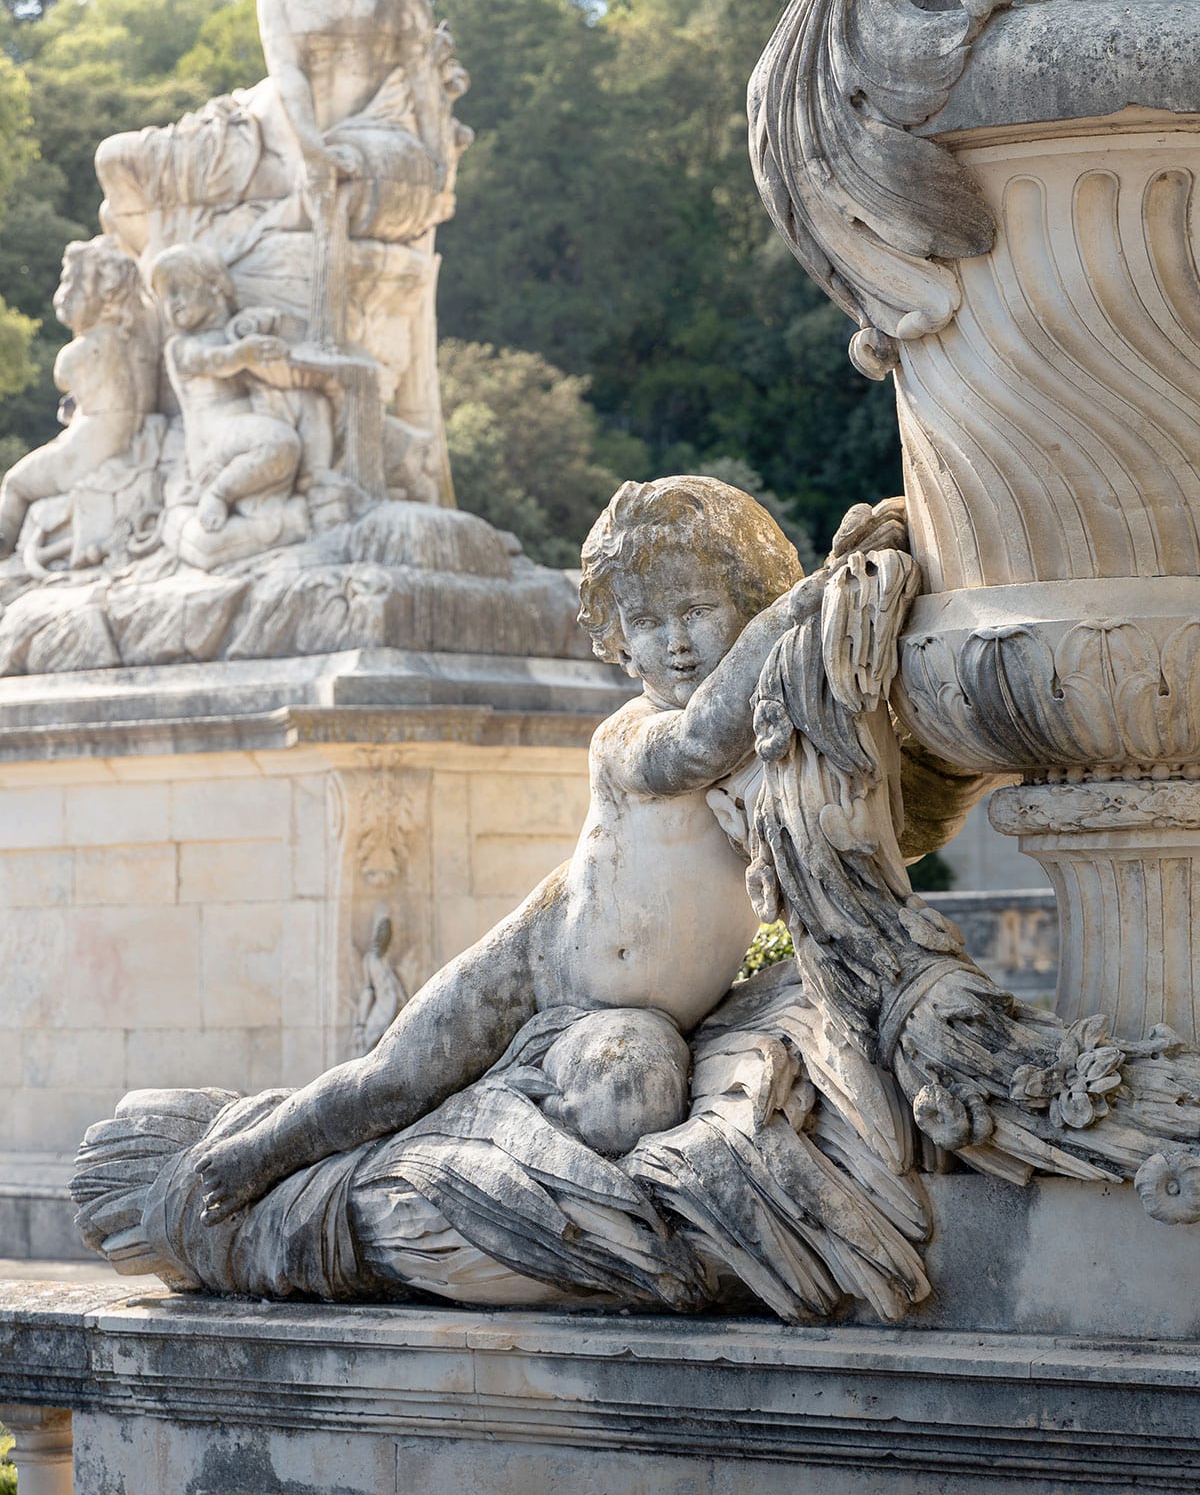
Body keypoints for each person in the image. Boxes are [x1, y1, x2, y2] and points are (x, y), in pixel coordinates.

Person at [197, 476, 905, 1222]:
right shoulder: (629, 732)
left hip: (632, 1017)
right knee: (393, 1078)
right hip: (539, 959)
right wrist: (799, 607)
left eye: (697, 610)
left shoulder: (769, 749)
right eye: (648, 620)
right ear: (619, 641)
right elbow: (696, 743)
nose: (679, 642)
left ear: (743, 603)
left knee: (628, 1093)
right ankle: (262, 1154)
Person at [0, 239, 157, 561]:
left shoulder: (80, 351)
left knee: (15, 482)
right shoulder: (139, 339)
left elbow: (63, 377)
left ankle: (4, 546)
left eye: (72, 284)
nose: (64, 296)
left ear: (104, 297)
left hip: (89, 445)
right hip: (121, 437)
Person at [154, 246, 300, 534]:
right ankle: (219, 493)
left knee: (313, 406)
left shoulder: (234, 330)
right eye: (164, 296)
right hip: (213, 442)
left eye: (179, 289)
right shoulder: (180, 347)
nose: (171, 303)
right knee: (279, 442)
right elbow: (212, 361)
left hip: (245, 427)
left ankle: (319, 483)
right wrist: (241, 355)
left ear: (215, 285)